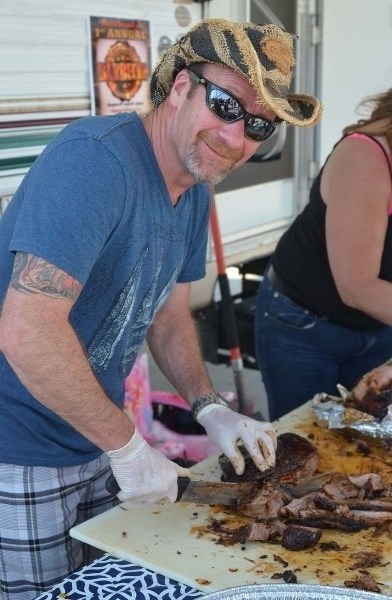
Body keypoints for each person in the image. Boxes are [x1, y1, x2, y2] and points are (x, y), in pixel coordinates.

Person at [0, 18, 321, 598]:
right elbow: (26, 332)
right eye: (226, 104)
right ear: (178, 86)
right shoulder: (95, 163)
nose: (236, 136)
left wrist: (209, 408)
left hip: (95, 434)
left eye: (258, 126)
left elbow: (169, 317)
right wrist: (127, 446)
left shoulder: (196, 188)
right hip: (17, 445)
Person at [255, 86, 392, 421]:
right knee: (307, 441)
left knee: (368, 448)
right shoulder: (365, 157)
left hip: (379, 326)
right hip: (303, 324)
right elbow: (357, 286)